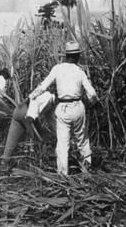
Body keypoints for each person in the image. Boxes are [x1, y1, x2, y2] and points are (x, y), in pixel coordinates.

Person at [29, 41, 97, 175]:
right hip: (78, 107)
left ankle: (63, 176)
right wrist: (92, 103)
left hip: (62, 108)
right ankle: (87, 170)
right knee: (82, 140)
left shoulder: (57, 68)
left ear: (66, 55)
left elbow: (43, 86)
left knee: (62, 144)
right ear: (77, 56)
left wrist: (31, 97)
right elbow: (92, 93)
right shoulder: (80, 71)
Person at [0, 91, 56, 170]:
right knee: (38, 140)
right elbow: (35, 102)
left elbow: (50, 120)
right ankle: (37, 165)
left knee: (11, 141)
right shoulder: (48, 96)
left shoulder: (48, 101)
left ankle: (4, 164)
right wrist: (30, 119)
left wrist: (55, 133)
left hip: (19, 110)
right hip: (27, 113)